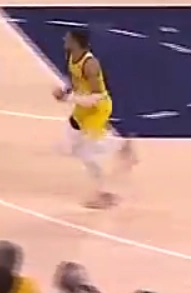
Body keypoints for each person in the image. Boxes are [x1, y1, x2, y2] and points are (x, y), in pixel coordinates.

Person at [53, 27, 136, 208]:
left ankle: (104, 194)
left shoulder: (91, 64)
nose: (64, 40)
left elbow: (97, 96)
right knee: (72, 146)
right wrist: (66, 91)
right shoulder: (72, 57)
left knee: (88, 154)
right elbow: (76, 81)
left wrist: (67, 98)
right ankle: (119, 146)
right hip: (82, 106)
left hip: (97, 108)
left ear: (76, 42)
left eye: (68, 38)